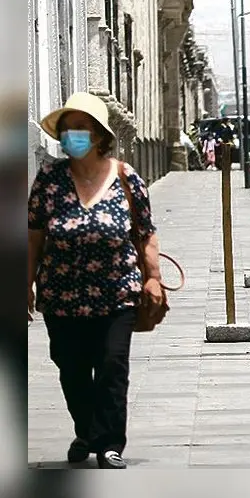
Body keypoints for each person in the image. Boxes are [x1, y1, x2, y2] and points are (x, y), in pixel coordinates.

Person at [27, 92, 162, 469]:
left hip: (117, 294)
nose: (72, 135)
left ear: (100, 136)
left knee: (112, 366)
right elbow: (34, 235)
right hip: (61, 296)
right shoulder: (49, 180)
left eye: (81, 128)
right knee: (71, 369)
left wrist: (153, 278)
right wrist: (23, 282)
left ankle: (108, 443)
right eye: (67, 129)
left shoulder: (126, 178)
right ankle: (87, 431)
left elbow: (146, 233)